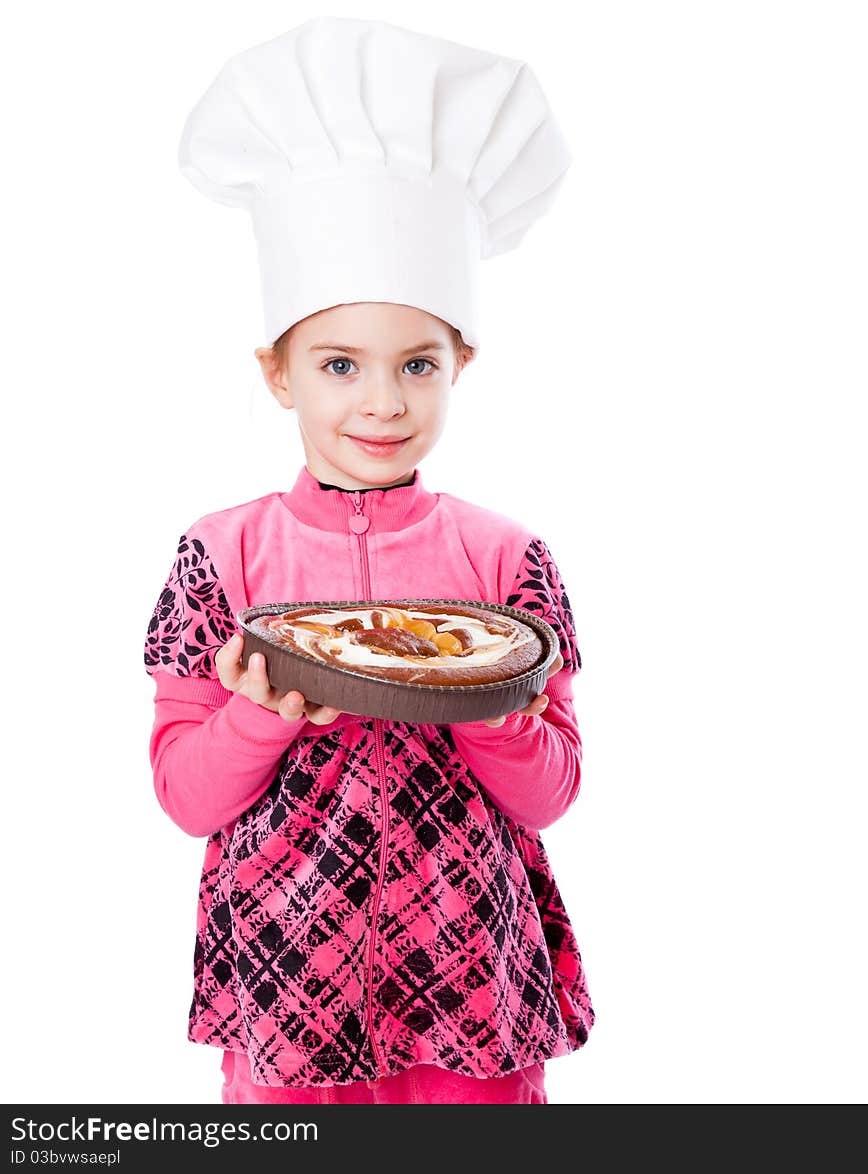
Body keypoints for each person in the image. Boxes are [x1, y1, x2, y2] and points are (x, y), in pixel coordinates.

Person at [144, 16, 595, 1106]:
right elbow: (185, 796)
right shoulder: (222, 554)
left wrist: (488, 700)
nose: (382, 401)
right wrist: (259, 714)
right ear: (278, 371)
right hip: (288, 981)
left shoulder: (505, 559)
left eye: (417, 363)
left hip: (467, 982)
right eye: (340, 362)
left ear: (460, 365)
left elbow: (552, 793)